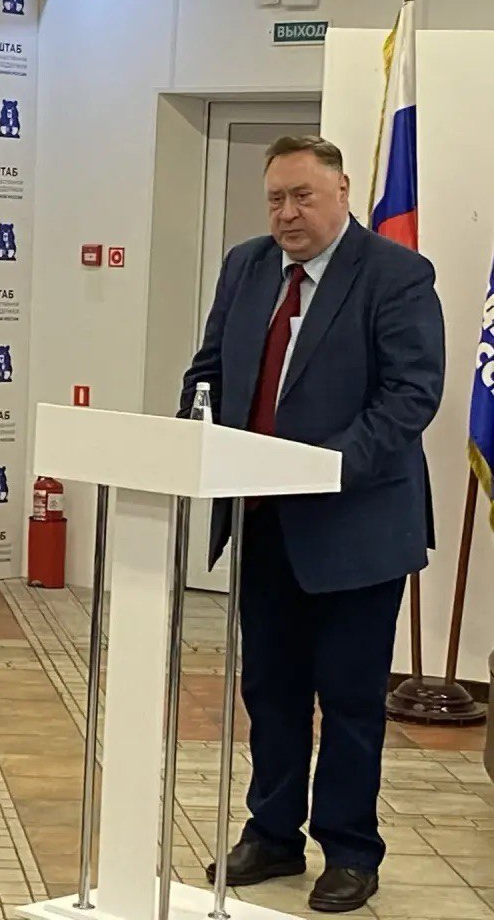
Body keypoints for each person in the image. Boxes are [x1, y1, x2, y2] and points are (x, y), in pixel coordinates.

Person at [180, 135, 444, 913]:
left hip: (357, 529)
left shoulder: (396, 274)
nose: (287, 214)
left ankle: (351, 851)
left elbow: (411, 395)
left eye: (303, 197)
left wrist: (322, 468)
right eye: (276, 199)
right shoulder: (246, 265)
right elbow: (211, 370)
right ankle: (272, 834)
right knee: (271, 691)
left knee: (351, 700)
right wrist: (193, 432)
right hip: (263, 524)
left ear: (343, 192)